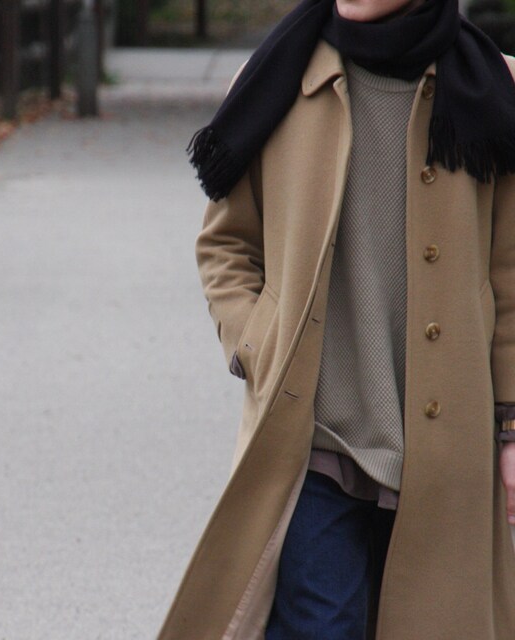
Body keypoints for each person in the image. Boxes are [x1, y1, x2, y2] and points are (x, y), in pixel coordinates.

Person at [159, 0, 515, 638]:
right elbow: (226, 245)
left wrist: (513, 429)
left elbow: (512, 280)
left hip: (447, 453)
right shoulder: (277, 78)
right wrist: (259, 344)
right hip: (314, 441)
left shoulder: (494, 89)